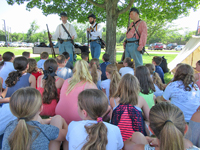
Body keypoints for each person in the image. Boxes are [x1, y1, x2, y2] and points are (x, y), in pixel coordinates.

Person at [2, 87, 68, 150]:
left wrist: (46, 121)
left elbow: (27, 123)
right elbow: (68, 134)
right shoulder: (44, 129)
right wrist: (62, 122)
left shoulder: (9, 126)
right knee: (58, 118)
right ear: (40, 108)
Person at [123, 102, 199, 150]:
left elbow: (124, 145)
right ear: (185, 129)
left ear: (151, 130)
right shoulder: (193, 147)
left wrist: (155, 139)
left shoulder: (140, 148)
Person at [55, 60, 97, 124]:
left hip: (59, 112)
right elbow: (98, 100)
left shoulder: (66, 81)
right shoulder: (89, 84)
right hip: (77, 116)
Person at [110, 74, 149, 141]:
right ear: (136, 86)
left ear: (120, 86)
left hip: (118, 139)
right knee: (146, 123)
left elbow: (112, 118)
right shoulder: (140, 99)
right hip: (136, 140)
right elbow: (149, 117)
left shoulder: (113, 99)